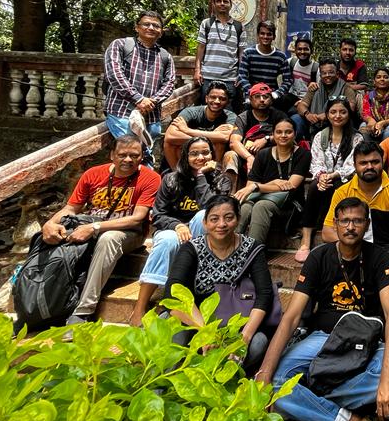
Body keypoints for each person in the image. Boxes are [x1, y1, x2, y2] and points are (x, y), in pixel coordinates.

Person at [255, 198, 389, 421]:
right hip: (323, 338)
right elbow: (291, 317)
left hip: (367, 341)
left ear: (366, 224)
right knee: (275, 381)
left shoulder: (378, 256)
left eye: (357, 221)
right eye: (344, 221)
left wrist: (388, 377)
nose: (350, 227)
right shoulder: (319, 256)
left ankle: (307, 410)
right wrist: (264, 371)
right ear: (335, 224)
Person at [322, 141, 389, 389]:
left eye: (374, 162)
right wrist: (351, 244)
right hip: (354, 249)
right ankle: (307, 327)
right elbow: (326, 231)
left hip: (388, 249)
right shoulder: (343, 191)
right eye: (363, 163)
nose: (369, 167)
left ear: (382, 163)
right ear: (354, 165)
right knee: (321, 256)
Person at [40, 135, 161, 324]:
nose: (128, 160)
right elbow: (71, 208)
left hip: (129, 232)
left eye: (134, 155)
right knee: (54, 234)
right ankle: (42, 301)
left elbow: (137, 218)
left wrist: (95, 228)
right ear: (112, 155)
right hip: (91, 224)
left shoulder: (150, 178)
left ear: (141, 157)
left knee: (108, 238)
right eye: (122, 155)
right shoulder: (93, 174)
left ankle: (84, 310)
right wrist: (49, 224)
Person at [165, 195, 274, 375]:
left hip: (237, 325)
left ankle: (225, 376)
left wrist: (243, 339)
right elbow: (173, 292)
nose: (221, 224)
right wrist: (205, 333)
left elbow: (264, 294)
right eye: (214, 219)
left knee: (258, 343)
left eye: (228, 218)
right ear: (205, 223)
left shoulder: (252, 248)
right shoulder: (191, 249)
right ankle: (169, 382)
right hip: (196, 321)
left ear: (238, 219)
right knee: (174, 334)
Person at [130, 136, 232, 326]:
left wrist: (201, 176)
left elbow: (216, 211)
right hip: (173, 229)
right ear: (185, 156)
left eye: (205, 153)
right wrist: (177, 225)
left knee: (203, 216)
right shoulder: (171, 179)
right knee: (167, 240)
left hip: (205, 235)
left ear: (212, 155)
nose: (200, 157)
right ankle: (139, 307)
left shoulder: (221, 180)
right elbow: (158, 214)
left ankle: (186, 290)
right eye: (194, 153)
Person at [102, 11, 176, 166]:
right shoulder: (121, 45)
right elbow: (114, 75)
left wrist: (151, 101)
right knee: (133, 153)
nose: (151, 28)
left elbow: (170, 83)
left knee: (143, 153)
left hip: (151, 115)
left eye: (156, 26)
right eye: (146, 24)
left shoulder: (165, 56)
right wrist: (139, 99)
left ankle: (146, 179)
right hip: (122, 112)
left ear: (161, 31)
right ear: (137, 27)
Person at [296, 97, 363, 262]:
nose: (337, 116)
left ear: (349, 114)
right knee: (314, 186)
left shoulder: (356, 138)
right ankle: (306, 240)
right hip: (324, 179)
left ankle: (335, 232)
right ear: (327, 114)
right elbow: (316, 162)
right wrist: (322, 176)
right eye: (333, 112)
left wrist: (333, 175)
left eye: (342, 112)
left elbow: (352, 164)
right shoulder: (321, 136)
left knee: (338, 185)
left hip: (345, 179)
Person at [234, 118, 311, 246]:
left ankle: (253, 252)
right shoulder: (263, 154)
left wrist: (257, 186)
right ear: (273, 135)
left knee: (261, 206)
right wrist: (273, 182)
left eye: (288, 132)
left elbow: (291, 185)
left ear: (295, 134)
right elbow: (250, 186)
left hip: (290, 205)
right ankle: (231, 249)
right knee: (246, 206)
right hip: (262, 199)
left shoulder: (303, 154)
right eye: (279, 132)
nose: (283, 135)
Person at [162, 81, 237, 171]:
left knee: (219, 143)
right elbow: (170, 136)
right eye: (213, 97)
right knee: (169, 143)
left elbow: (224, 137)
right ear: (206, 98)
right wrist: (212, 136)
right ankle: (177, 173)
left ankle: (214, 172)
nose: (217, 101)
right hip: (191, 151)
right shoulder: (190, 112)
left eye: (222, 99)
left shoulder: (230, 116)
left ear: (227, 102)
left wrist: (187, 130)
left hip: (211, 154)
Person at [226, 83, 288, 190]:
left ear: (271, 100)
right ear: (250, 99)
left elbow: (288, 137)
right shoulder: (244, 117)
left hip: (272, 155)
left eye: (266, 97)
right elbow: (234, 142)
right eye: (257, 96)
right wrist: (249, 157)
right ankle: (230, 194)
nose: (262, 100)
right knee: (230, 155)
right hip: (248, 155)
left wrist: (266, 139)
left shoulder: (279, 116)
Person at [193, 0, 244, 109]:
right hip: (208, 77)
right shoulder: (206, 24)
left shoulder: (239, 26)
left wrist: (241, 73)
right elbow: (201, 48)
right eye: (218, 1)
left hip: (230, 78)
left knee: (228, 111)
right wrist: (197, 70)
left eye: (225, 1)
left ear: (230, 5)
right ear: (214, 4)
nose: (222, 4)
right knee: (208, 110)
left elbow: (241, 52)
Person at [293, 58, 358, 140]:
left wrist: (327, 115)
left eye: (331, 72)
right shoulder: (315, 87)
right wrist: (307, 114)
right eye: (324, 73)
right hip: (314, 123)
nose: (327, 75)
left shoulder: (346, 88)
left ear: (337, 74)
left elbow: (351, 107)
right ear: (320, 75)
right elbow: (302, 105)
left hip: (338, 124)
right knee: (296, 119)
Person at [238, 20, 291, 101]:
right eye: (262, 33)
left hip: (271, 97)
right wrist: (252, 92)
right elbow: (242, 76)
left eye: (269, 34)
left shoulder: (280, 56)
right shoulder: (248, 53)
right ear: (258, 35)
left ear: (274, 37)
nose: (265, 37)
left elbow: (288, 80)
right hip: (252, 97)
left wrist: (277, 93)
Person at [277, 35, 318, 114]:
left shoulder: (316, 68)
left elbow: (319, 92)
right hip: (290, 98)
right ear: (295, 51)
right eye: (299, 49)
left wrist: (303, 101)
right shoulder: (291, 62)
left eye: (306, 49)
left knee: (292, 114)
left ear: (311, 51)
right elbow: (276, 71)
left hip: (307, 101)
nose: (302, 52)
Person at [360, 66, 389, 140]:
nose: (382, 79)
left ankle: (385, 147)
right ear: (374, 81)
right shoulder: (368, 96)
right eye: (378, 77)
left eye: (385, 77)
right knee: (363, 125)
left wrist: (383, 123)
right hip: (373, 123)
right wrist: (371, 121)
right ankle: (366, 147)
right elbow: (365, 113)